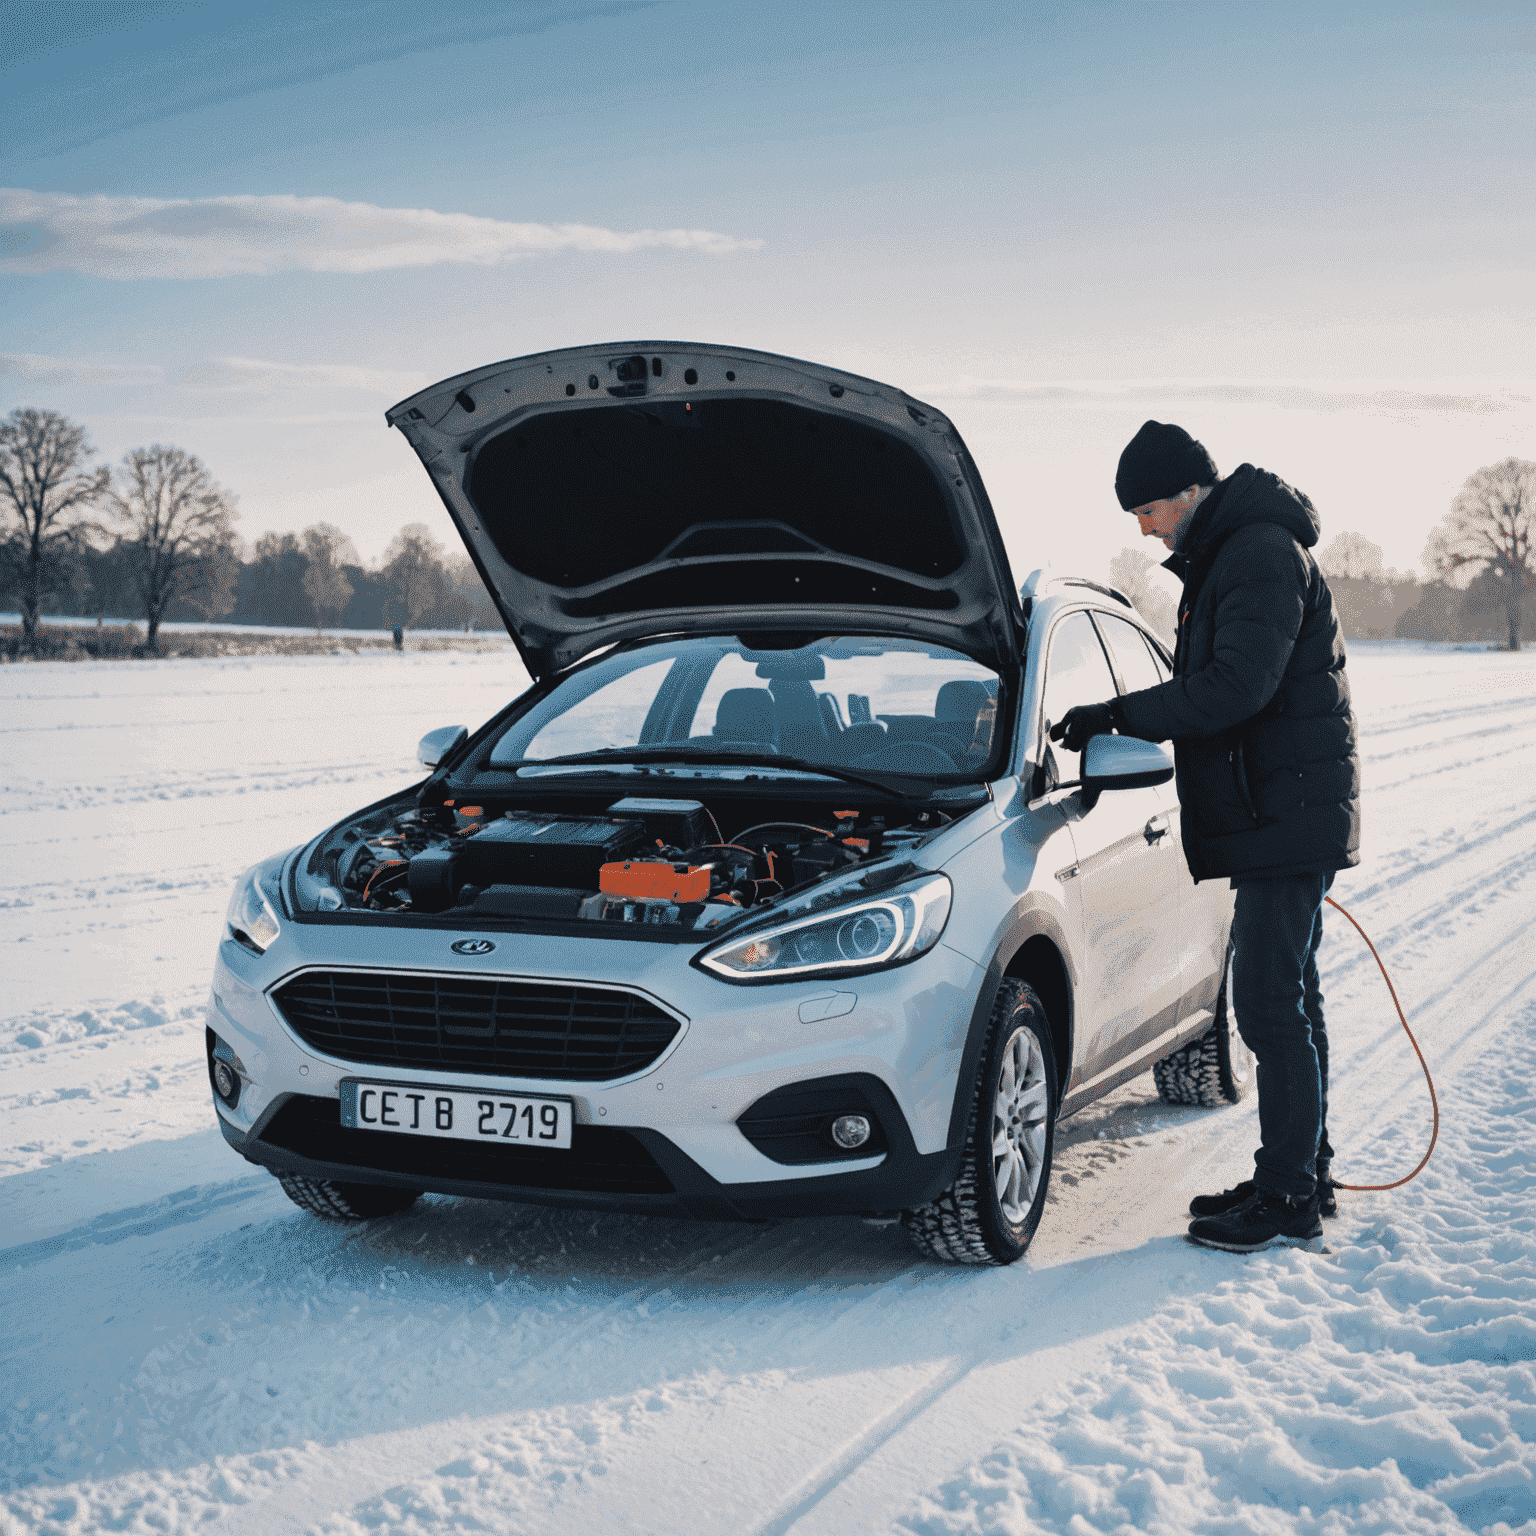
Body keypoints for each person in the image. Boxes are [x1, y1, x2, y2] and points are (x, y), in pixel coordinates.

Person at [1051, 420, 1361, 1254]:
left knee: (1267, 1002)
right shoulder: (1237, 550)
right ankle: (1298, 1176)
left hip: (1285, 813)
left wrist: (1118, 714)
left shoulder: (1258, 550)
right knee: (1290, 996)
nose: (1144, 528)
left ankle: (1288, 1194)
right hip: (1279, 810)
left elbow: (1233, 688)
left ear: (1190, 493)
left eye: (1148, 509)